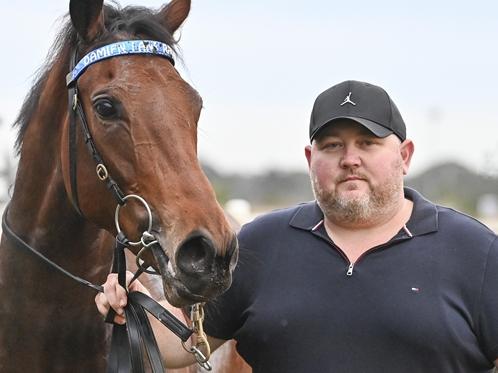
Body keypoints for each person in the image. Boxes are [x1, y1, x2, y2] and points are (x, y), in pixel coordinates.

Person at [96, 80, 498, 372]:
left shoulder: (475, 252)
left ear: (405, 156)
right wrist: (132, 304)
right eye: (332, 145)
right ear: (310, 158)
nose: (350, 159)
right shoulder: (261, 244)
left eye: (368, 143)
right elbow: (186, 342)